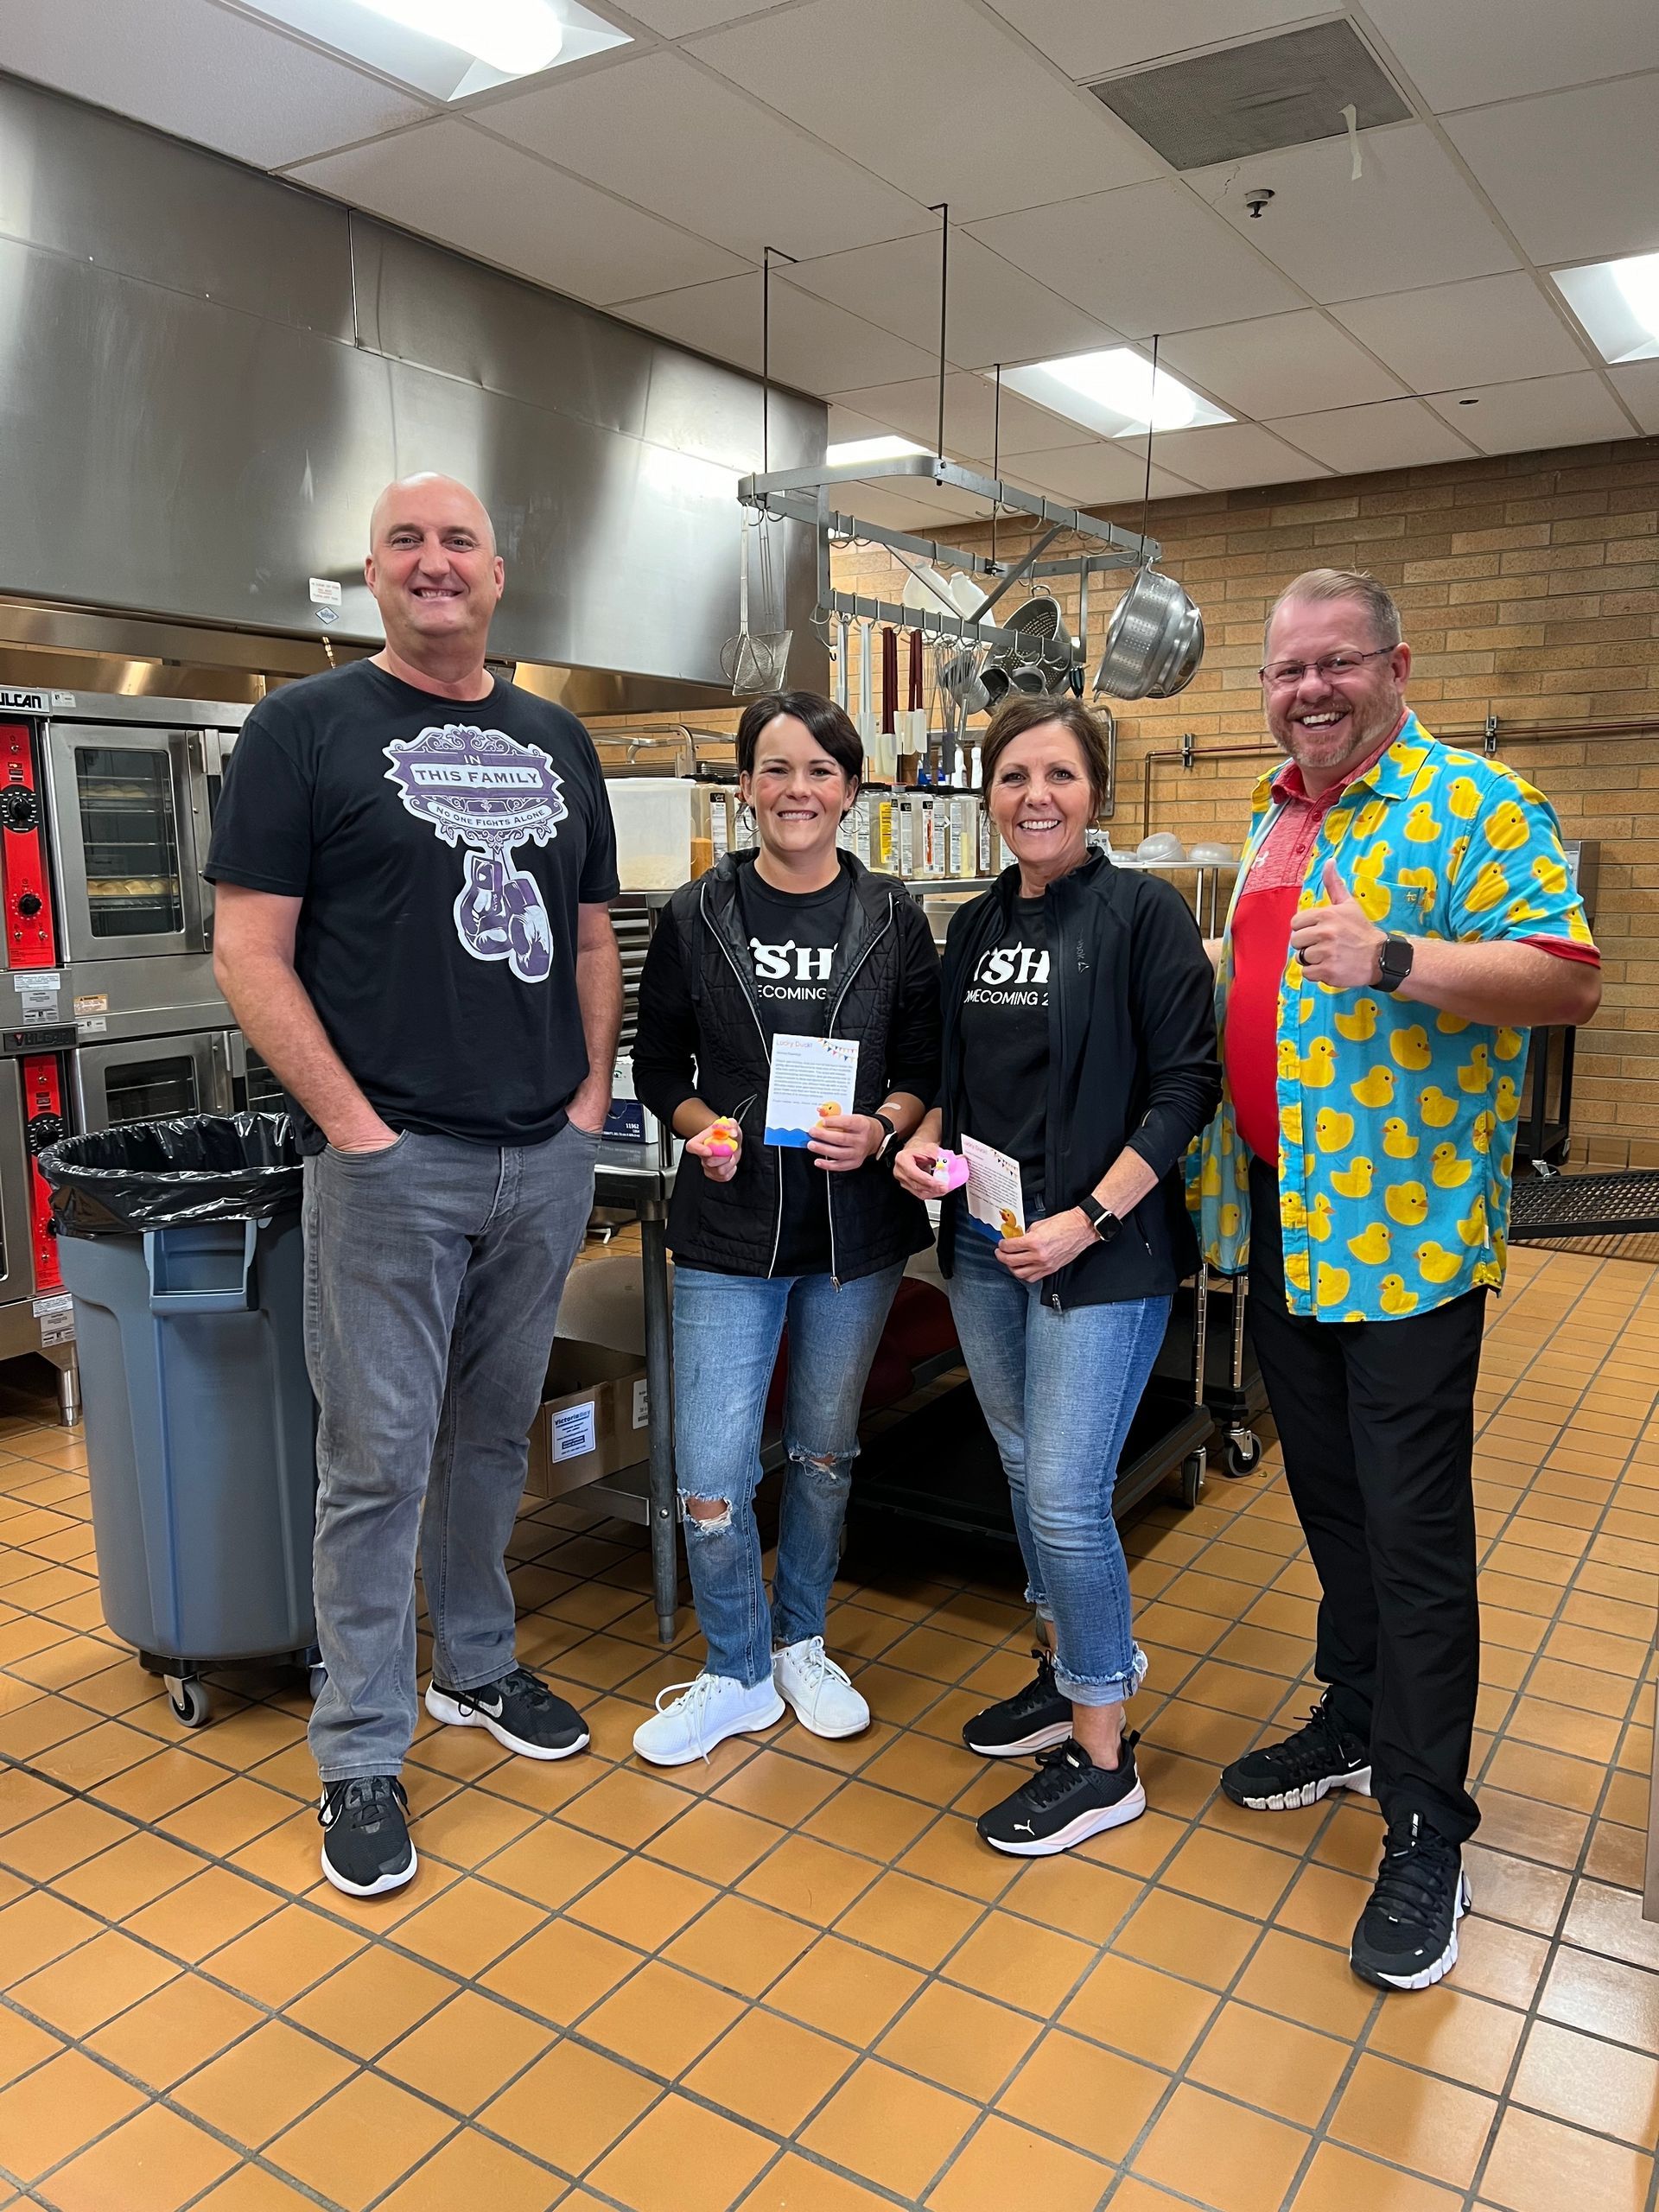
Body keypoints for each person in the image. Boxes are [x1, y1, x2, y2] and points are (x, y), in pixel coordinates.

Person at [207, 474, 621, 1898]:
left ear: (499, 574)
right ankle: (362, 1751)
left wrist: (581, 1107)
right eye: (407, 541)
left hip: (539, 1158)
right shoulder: (303, 731)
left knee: (494, 1439)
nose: (435, 563)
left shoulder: (558, 739)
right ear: (372, 576)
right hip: (390, 1169)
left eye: (459, 541)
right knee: (375, 1465)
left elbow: (588, 941)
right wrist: (359, 1135)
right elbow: (249, 952)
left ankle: (482, 1668)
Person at [1192, 567, 1599, 1991]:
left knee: (1415, 1531)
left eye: (1335, 663)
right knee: (1332, 1499)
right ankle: (1353, 1720)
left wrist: (1398, 959)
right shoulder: (1269, 814)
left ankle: (1428, 1826)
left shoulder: (1475, 807)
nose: (1309, 689)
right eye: (1285, 670)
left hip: (1407, 1239)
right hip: (1282, 1223)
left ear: (1397, 666)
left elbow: (1569, 980)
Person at [893, 696, 1220, 1856]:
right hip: (985, 1244)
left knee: (1069, 1497)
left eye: (1060, 776)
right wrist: (927, 1141)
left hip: (1102, 1251)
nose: (1036, 795)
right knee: (1029, 1468)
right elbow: (954, 1081)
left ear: (1097, 794)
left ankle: (1104, 1753)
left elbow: (1186, 1089)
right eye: (1014, 775)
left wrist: (1088, 1218)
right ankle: (1062, 1667)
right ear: (987, 796)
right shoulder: (974, 923)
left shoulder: (1143, 917)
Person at [630, 690, 940, 1765]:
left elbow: (923, 1063)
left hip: (855, 1231)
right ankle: (735, 1666)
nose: (795, 789)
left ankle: (802, 1639)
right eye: (774, 769)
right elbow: (658, 1065)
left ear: (852, 791)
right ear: (746, 786)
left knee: (822, 1451)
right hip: (728, 1231)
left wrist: (887, 1127)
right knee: (711, 1470)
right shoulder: (696, 914)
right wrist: (700, 1126)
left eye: (818, 770)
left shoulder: (895, 915)